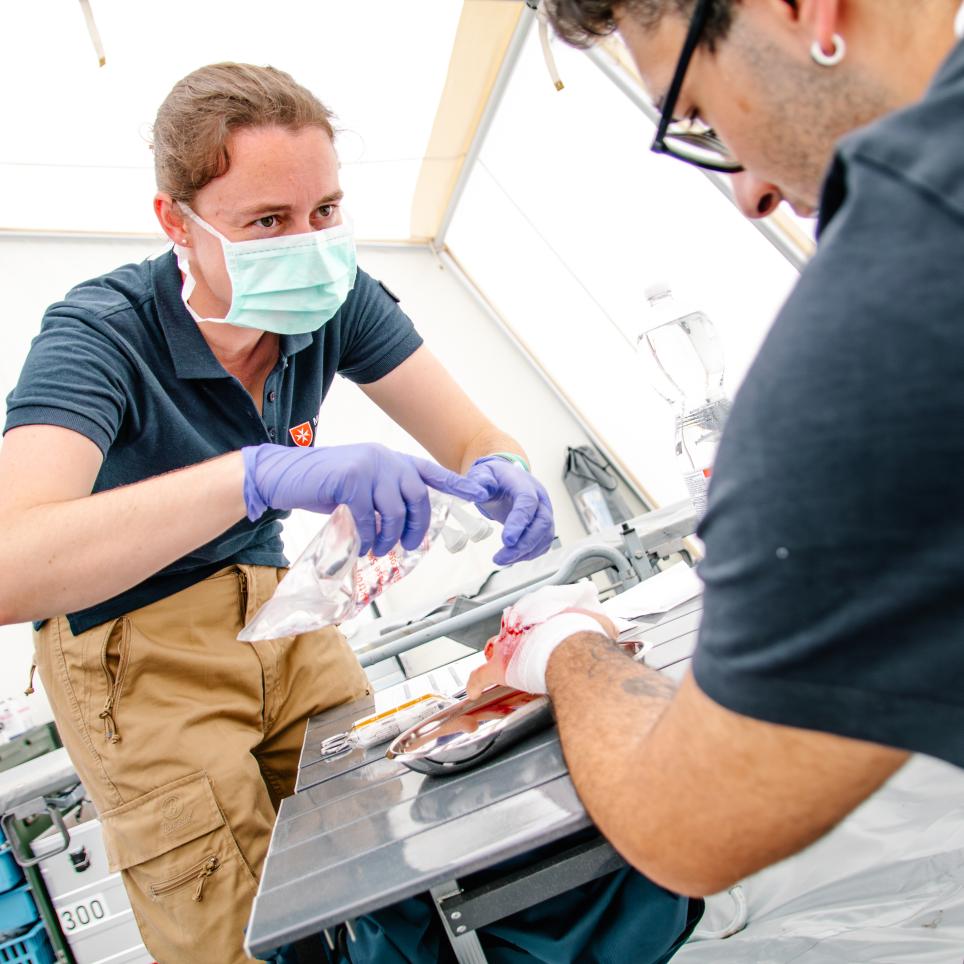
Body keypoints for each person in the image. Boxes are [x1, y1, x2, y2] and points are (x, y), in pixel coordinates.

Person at [0, 62, 557, 964]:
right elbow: (11, 565)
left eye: (326, 211)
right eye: (268, 222)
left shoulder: (336, 301)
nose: (310, 244)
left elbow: (471, 434)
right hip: (136, 655)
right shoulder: (99, 336)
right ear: (176, 222)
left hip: (286, 618)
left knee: (389, 869)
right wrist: (252, 475)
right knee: (241, 930)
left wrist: (504, 470)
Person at [468, 0, 964, 903]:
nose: (747, 193)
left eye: (694, 113)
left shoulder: (884, 319)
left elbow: (684, 824)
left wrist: (567, 646)